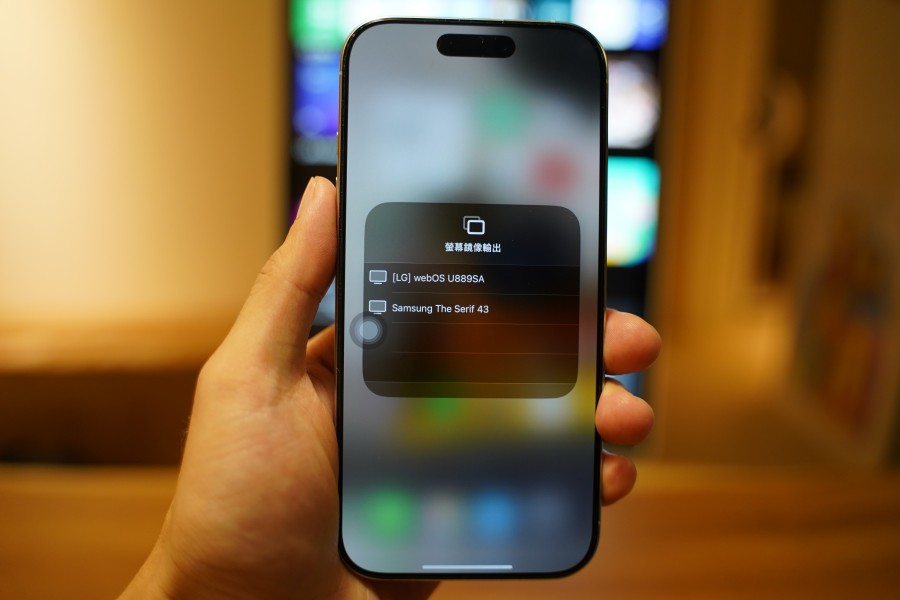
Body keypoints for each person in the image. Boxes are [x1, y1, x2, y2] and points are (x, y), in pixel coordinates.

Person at [119, 177, 661, 600]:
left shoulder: (529, 400)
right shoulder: (380, 399)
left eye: (484, 285)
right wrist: (206, 585)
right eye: (446, 279)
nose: (464, 305)